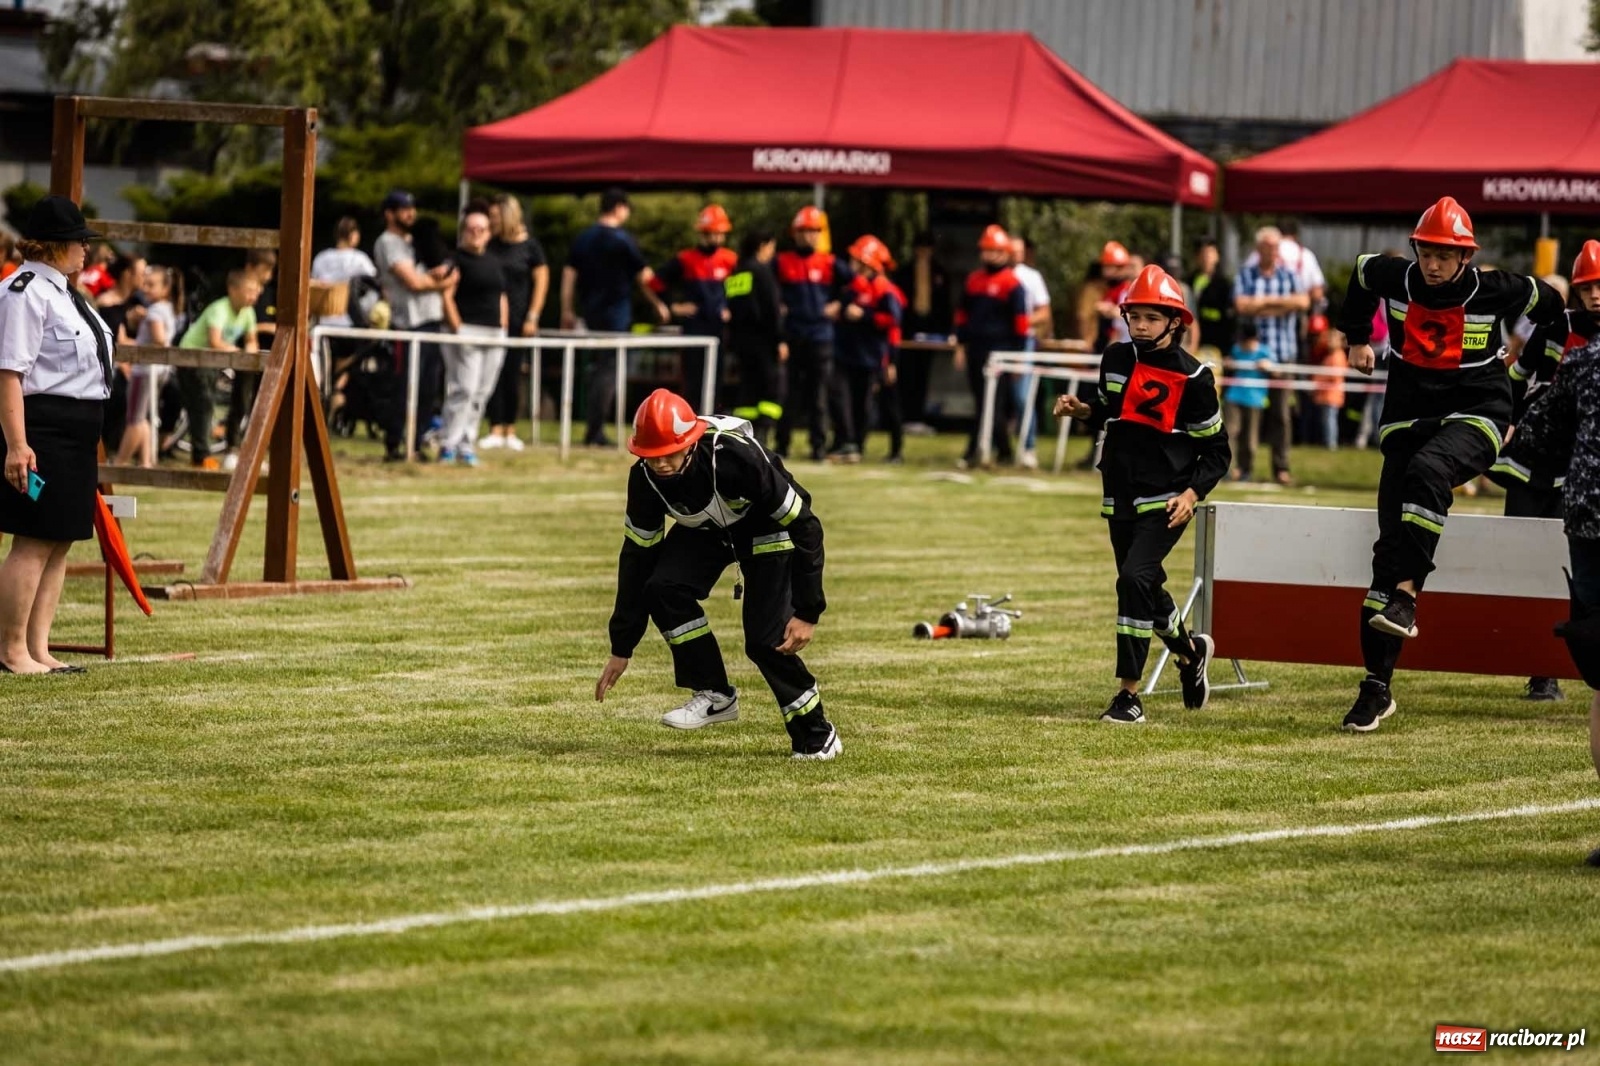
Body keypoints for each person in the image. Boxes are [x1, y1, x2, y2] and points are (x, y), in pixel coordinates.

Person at [1336, 196, 1566, 732]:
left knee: (1429, 472)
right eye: (1426, 252)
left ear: (1466, 257)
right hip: (1407, 418)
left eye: (1445, 255)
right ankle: (1376, 688)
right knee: (1384, 561)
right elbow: (1362, 272)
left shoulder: (1497, 288)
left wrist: (1526, 368)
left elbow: (1553, 305)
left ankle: (1409, 597)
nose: (1433, 264)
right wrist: (1356, 337)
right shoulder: (1394, 276)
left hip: (1479, 414)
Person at [594, 388, 842, 760]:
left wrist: (808, 611)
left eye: (669, 453)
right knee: (662, 587)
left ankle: (816, 734)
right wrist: (621, 646)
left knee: (764, 641)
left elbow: (807, 525)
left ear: (691, 443)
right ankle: (714, 694)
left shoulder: (736, 458)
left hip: (765, 526)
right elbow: (636, 559)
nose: (660, 464)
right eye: (651, 455)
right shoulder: (644, 480)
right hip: (708, 530)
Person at [1054, 264, 1229, 723]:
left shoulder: (1195, 379)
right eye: (1134, 316)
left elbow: (1217, 452)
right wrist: (1082, 410)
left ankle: (1128, 695)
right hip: (1119, 492)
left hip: (1167, 500)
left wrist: (1191, 495)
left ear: (1175, 321)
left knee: (1132, 580)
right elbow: (1114, 410)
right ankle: (1190, 654)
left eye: (1152, 317)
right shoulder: (1114, 357)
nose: (1141, 326)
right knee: (1145, 587)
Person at [0, 196, 114, 675]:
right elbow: (9, 373)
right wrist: (16, 444)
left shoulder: (62, 291)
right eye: (78, 243)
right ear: (51, 246)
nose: (86, 251)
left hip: (75, 431)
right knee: (33, 539)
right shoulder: (25, 291)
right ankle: (10, 650)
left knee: (61, 538)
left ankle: (38, 647)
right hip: (41, 428)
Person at [1494, 240, 1600, 703]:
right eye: (1587, 287)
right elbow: (1517, 380)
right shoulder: (1555, 326)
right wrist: (1504, 422)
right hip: (1530, 465)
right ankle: (1532, 665)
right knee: (1522, 564)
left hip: (1583, 478)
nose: (1595, 295)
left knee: (1568, 578)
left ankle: (1553, 669)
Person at [562, 188, 670, 448]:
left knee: (599, 368)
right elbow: (644, 277)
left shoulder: (584, 238)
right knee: (609, 370)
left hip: (591, 312)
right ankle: (595, 430)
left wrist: (566, 308)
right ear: (620, 208)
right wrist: (660, 303)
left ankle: (593, 426)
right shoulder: (623, 240)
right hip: (616, 314)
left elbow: (569, 275)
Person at [375, 189, 458, 462]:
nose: (410, 213)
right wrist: (443, 282)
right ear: (390, 213)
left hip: (431, 321)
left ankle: (417, 441)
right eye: (403, 209)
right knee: (403, 386)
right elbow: (415, 283)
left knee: (427, 387)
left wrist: (444, 274)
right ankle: (396, 442)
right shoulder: (388, 242)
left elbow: (449, 269)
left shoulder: (417, 240)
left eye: (412, 208)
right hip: (407, 325)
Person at [775, 206, 854, 462]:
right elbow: (769, 289)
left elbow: (858, 284)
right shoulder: (782, 262)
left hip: (821, 336)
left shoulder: (830, 263)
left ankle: (818, 446)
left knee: (818, 394)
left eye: (814, 232)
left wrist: (839, 305)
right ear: (795, 234)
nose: (810, 236)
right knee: (789, 393)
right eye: (805, 231)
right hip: (793, 335)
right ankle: (782, 444)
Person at [1234, 227, 1308, 486]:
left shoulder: (1290, 275)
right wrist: (1282, 304)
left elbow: (1302, 303)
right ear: (1259, 249)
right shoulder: (1246, 273)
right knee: (1248, 414)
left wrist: (1262, 304)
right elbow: (1242, 306)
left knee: (1281, 415)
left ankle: (1281, 468)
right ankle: (1244, 467)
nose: (1273, 251)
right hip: (1251, 357)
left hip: (1283, 354)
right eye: (1268, 247)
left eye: (1276, 247)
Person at [953, 225, 1029, 469]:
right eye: (986, 251)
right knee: (981, 401)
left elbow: (1021, 324)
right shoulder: (973, 280)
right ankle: (1003, 451)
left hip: (1002, 351)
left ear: (1005, 253)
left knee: (993, 403)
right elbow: (962, 316)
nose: (990, 256)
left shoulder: (1012, 284)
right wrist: (960, 346)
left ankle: (975, 450)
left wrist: (1017, 358)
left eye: (995, 251)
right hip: (976, 349)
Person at [437, 209, 507, 467]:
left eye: (481, 229)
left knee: (481, 392)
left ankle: (467, 443)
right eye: (471, 228)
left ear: (489, 233)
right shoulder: (455, 259)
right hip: (465, 331)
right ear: (463, 231)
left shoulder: (494, 261)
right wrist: (457, 326)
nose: (476, 233)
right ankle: (449, 443)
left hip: (493, 333)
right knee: (463, 389)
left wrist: (503, 326)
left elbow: (501, 295)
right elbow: (445, 293)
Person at [652, 204, 738, 410]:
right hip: (694, 327)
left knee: (717, 378)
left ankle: (713, 420)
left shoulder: (730, 260)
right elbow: (656, 282)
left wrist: (732, 308)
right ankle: (688, 419)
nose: (716, 239)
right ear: (702, 233)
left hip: (719, 328)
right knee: (692, 378)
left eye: (720, 234)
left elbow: (741, 289)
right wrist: (674, 307)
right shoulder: (686, 259)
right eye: (711, 234)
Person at [480, 196, 547, 452]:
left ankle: (510, 428)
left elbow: (541, 280)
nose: (492, 220)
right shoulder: (491, 244)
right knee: (492, 374)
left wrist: (533, 315)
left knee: (512, 373)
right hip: (493, 319)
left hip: (520, 319)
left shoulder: (530, 247)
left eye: (496, 216)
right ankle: (494, 427)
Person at [177, 269, 261, 470]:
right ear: (233, 290)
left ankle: (217, 450)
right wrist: (239, 351)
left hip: (212, 362)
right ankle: (201, 456)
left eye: (256, 291)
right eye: (249, 291)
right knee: (203, 404)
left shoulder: (248, 312)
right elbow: (215, 341)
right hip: (191, 358)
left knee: (208, 403)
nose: (253, 296)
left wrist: (249, 350)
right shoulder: (219, 309)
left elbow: (252, 341)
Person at [837, 235, 905, 463]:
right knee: (853, 402)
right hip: (854, 354)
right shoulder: (855, 286)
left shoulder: (884, 289)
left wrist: (891, 361)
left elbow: (892, 323)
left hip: (877, 356)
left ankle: (896, 450)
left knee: (887, 404)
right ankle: (852, 443)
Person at [114, 264, 182, 468]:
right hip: (158, 370)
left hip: (145, 370)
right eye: (145, 284)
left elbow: (159, 340)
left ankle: (120, 462)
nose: (146, 288)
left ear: (166, 288)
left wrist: (136, 343)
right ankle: (145, 461)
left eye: (152, 285)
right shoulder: (167, 308)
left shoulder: (155, 311)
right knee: (143, 416)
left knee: (134, 418)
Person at [725, 228, 786, 447]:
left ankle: (745, 435)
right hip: (763, 342)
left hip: (741, 343)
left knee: (747, 390)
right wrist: (779, 340)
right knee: (773, 389)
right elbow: (771, 310)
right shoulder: (762, 272)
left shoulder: (737, 273)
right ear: (763, 245)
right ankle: (763, 433)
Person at [892, 231, 951, 431]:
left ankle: (918, 417)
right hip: (908, 331)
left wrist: (947, 331)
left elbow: (946, 305)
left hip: (931, 331)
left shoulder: (940, 273)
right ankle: (905, 417)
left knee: (923, 375)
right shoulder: (904, 272)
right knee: (906, 374)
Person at [93, 254, 146, 453]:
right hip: (114, 365)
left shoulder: (138, 303)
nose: (144, 278)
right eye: (141, 273)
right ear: (127, 275)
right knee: (120, 392)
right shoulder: (106, 304)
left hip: (135, 364)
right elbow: (112, 341)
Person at [1010, 236, 1052, 470]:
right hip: (1000, 339)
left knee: (1021, 396)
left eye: (1018, 250)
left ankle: (1029, 446)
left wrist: (1020, 322)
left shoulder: (1031, 277)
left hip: (1022, 339)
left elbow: (1043, 311)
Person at [1222, 321, 1274, 482]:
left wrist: (1268, 366)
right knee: (1230, 432)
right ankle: (1227, 470)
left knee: (1250, 439)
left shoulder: (1265, 352)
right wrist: (1228, 363)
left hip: (1255, 399)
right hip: (1234, 396)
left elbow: (1278, 372)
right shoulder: (1237, 349)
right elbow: (1228, 364)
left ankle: (1246, 470)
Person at [1190, 238, 1235, 357]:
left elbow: (1230, 320)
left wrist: (1227, 351)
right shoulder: (1189, 281)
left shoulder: (1225, 285)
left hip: (1217, 345)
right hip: (1193, 344)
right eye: (1202, 253)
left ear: (1217, 256)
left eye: (1210, 253)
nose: (1206, 257)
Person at [1310, 316, 1346, 450]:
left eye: (1332, 339)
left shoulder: (1337, 356)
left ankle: (1331, 443)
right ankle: (1327, 442)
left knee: (1330, 420)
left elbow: (1334, 376)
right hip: (1326, 395)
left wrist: (1317, 379)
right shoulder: (1330, 355)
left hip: (1332, 396)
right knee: (1326, 420)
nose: (1328, 341)